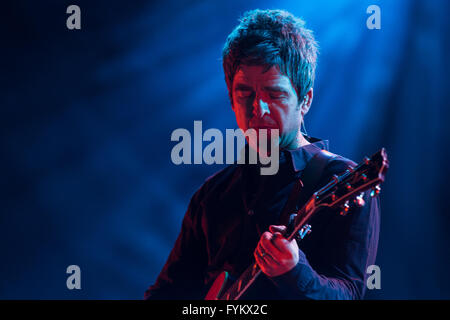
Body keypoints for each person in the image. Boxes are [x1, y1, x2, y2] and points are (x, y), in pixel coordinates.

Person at [144, 9, 380, 300]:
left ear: (305, 100)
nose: (259, 109)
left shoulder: (341, 180)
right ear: (231, 99)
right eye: (245, 93)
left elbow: (350, 294)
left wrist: (295, 272)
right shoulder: (211, 196)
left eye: (274, 94)